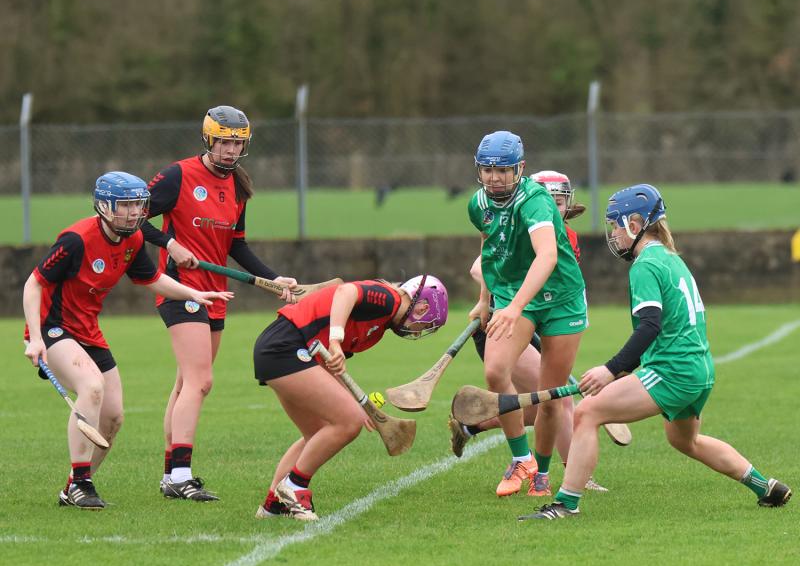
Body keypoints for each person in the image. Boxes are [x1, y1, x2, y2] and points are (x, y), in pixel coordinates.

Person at [521, 184, 792, 520]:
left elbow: (650, 327)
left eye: (616, 226)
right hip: (699, 371)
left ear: (635, 225)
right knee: (685, 441)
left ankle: (565, 504)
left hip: (672, 371)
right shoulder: (672, 259)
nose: (614, 235)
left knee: (587, 412)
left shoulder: (646, 265)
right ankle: (766, 487)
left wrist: (611, 369)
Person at [22, 172, 233, 510]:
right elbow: (33, 285)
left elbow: (152, 279)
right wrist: (34, 337)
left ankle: (73, 488)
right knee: (91, 388)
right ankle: (81, 483)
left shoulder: (133, 240)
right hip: (52, 328)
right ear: (105, 206)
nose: (135, 212)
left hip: (87, 330)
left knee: (113, 417)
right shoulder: (76, 240)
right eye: (127, 205)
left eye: (139, 204)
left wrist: (195, 292)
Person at [142, 105, 297, 501]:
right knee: (200, 380)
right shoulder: (178, 176)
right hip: (181, 289)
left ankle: (169, 473)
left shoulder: (239, 188)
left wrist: (272, 279)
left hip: (215, 293)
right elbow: (133, 217)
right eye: (224, 142)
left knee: (186, 384)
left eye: (237, 144)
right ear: (208, 140)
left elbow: (237, 246)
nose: (230, 151)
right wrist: (170, 244)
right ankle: (180, 474)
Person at [452, 168, 606, 491]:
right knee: (533, 392)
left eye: (559, 201)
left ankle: (538, 471)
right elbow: (482, 263)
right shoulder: (504, 212)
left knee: (549, 401)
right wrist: (490, 299)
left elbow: (549, 260)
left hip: (551, 307)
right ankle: (529, 462)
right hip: (506, 313)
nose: (552, 206)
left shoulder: (564, 235)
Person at [253, 275, 448, 520]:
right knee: (349, 422)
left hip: (285, 350)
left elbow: (329, 366)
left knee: (318, 431)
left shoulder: (376, 330)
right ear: (422, 307)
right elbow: (345, 292)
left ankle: (274, 505)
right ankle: (294, 486)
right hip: (286, 347)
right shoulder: (389, 300)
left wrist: (356, 402)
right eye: (422, 325)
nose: (416, 331)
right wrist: (336, 339)